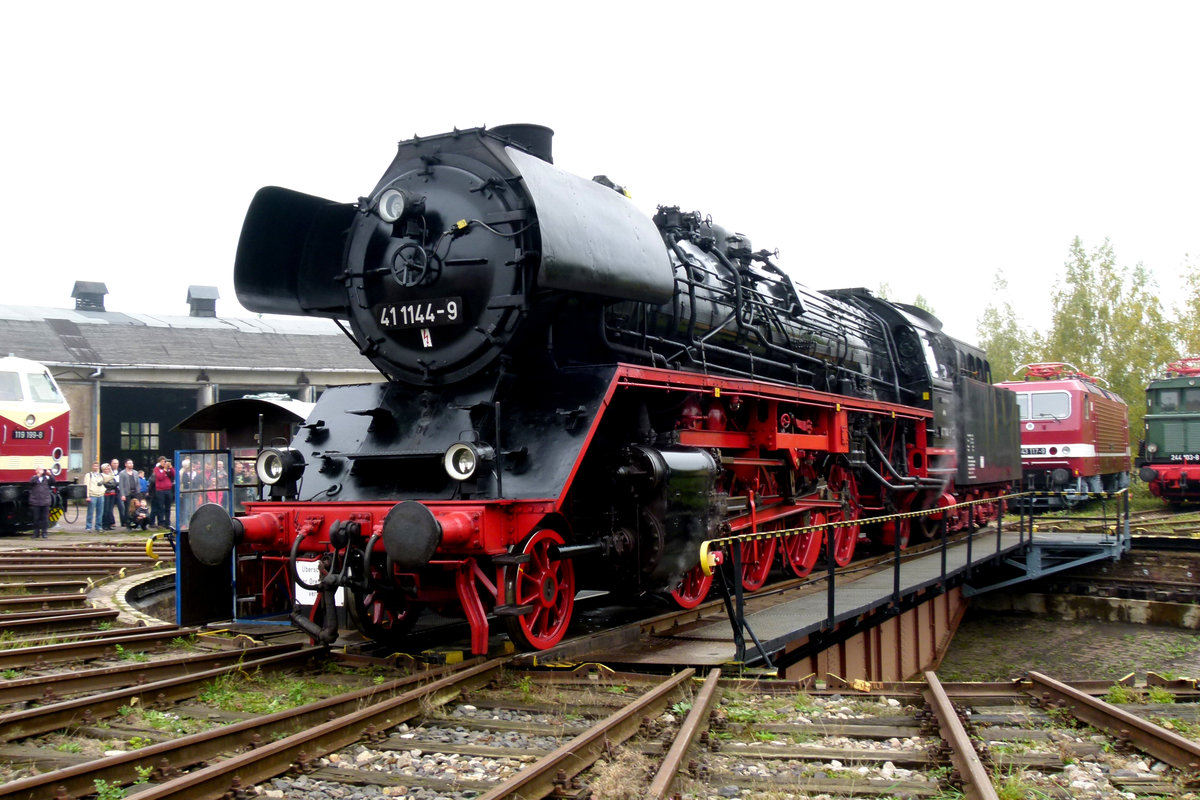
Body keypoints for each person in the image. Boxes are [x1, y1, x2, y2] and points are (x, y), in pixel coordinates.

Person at [28, 466, 55, 539]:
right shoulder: (34, 478)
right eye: (40, 469)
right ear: (36, 471)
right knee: (36, 518)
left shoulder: (47, 478)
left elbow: (53, 481)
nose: (41, 471)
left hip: (45, 502)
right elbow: (30, 483)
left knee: (45, 518)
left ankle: (44, 533)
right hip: (36, 502)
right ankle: (36, 533)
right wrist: (38, 476)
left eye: (42, 470)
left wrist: (50, 474)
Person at [152, 456, 175, 531]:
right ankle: (161, 522)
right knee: (160, 507)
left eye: (165, 461)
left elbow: (174, 475)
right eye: (162, 461)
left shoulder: (168, 469)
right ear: (159, 462)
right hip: (160, 490)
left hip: (168, 490)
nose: (164, 463)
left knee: (168, 507)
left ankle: (167, 522)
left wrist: (170, 467)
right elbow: (160, 477)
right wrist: (164, 469)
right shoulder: (157, 469)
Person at [83, 461, 106, 531]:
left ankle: (98, 526)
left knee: (100, 512)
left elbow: (109, 478)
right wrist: (87, 496)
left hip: (100, 495)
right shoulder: (88, 475)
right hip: (92, 495)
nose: (96, 467)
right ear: (92, 467)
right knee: (90, 511)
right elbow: (86, 485)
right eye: (94, 466)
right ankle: (88, 526)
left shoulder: (101, 475)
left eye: (97, 466)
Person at [118, 459, 139, 529]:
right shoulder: (122, 473)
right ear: (125, 464)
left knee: (136, 508)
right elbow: (121, 484)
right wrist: (122, 495)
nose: (131, 465)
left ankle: (135, 523)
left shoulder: (135, 472)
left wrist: (139, 491)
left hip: (135, 493)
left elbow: (137, 483)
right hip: (127, 493)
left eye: (132, 463)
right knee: (128, 509)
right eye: (129, 463)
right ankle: (128, 523)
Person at [100, 463, 119, 531]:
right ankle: (104, 524)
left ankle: (109, 524)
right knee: (106, 510)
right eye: (106, 469)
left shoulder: (112, 475)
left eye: (108, 469)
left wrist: (113, 484)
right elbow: (106, 484)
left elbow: (116, 483)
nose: (107, 470)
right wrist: (113, 485)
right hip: (106, 494)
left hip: (112, 494)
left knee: (110, 510)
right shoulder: (101, 475)